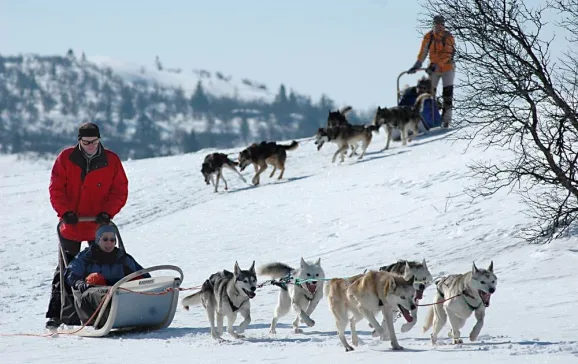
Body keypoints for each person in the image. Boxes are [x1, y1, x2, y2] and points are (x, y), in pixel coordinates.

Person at [45, 122, 129, 329]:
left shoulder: (111, 160)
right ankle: (58, 314)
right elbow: (56, 188)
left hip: (98, 224)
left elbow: (119, 190)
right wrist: (65, 212)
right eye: (86, 142)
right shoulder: (66, 158)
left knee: (102, 265)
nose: (90, 146)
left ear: (99, 140)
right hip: (72, 223)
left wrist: (107, 212)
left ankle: (103, 308)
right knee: (67, 268)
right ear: (79, 141)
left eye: (94, 142)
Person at [64, 224, 151, 327]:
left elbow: (143, 275)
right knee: (95, 278)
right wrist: (79, 282)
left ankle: (142, 313)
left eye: (112, 240)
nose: (109, 243)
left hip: (120, 295)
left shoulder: (121, 257)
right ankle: (111, 314)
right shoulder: (86, 257)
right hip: (92, 303)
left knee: (136, 278)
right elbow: (71, 272)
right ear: (97, 240)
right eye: (105, 239)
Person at [408, 14, 456, 128]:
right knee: (429, 94)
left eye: (441, 24)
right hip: (433, 69)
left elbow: (448, 54)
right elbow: (423, 52)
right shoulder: (428, 37)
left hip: (447, 69)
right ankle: (430, 118)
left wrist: (437, 65)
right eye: (437, 24)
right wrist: (417, 65)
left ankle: (446, 121)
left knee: (447, 94)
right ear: (433, 25)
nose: (439, 26)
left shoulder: (448, 37)